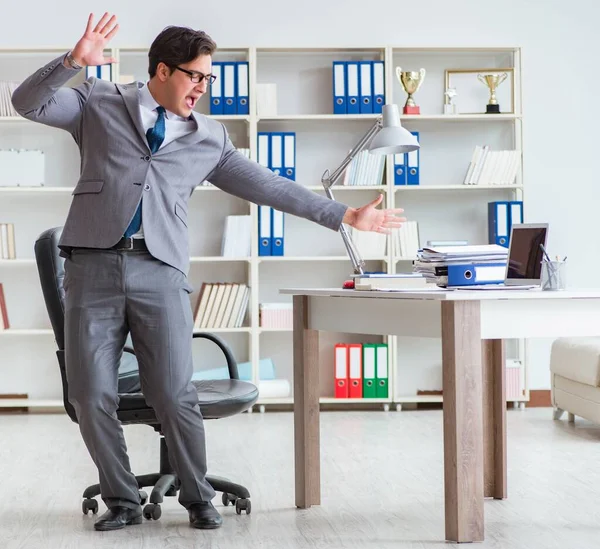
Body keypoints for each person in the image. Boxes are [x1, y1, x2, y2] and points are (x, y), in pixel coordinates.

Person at [12, 13, 406, 532]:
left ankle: (199, 496)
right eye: (194, 75)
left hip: (160, 272)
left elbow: (269, 186)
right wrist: (71, 62)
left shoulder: (209, 138)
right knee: (88, 395)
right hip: (92, 269)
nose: (202, 87)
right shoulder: (99, 102)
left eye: (208, 78)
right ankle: (123, 500)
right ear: (161, 70)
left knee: (174, 392)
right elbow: (26, 102)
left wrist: (345, 216)